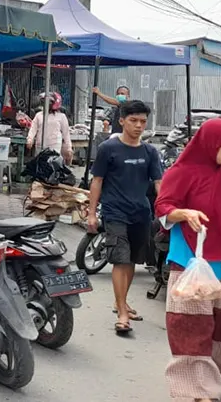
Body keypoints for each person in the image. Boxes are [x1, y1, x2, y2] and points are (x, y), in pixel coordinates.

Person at [154, 118, 221, 402]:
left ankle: (206, 380)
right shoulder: (183, 171)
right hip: (192, 260)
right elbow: (163, 207)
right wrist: (185, 213)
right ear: (210, 143)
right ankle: (197, 391)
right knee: (191, 326)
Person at [87, 100, 162, 334]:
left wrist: (170, 210)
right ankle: (121, 313)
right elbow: (96, 180)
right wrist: (91, 213)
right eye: (133, 121)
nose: (139, 126)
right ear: (121, 121)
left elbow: (160, 184)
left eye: (142, 121)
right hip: (114, 212)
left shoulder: (150, 152)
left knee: (131, 261)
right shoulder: (108, 149)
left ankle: (122, 301)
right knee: (120, 259)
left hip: (141, 214)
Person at [26, 91, 73, 163]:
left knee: (52, 167)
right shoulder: (39, 115)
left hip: (54, 147)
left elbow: (66, 134)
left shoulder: (61, 117)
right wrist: (30, 139)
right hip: (40, 146)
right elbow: (33, 129)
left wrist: (69, 148)